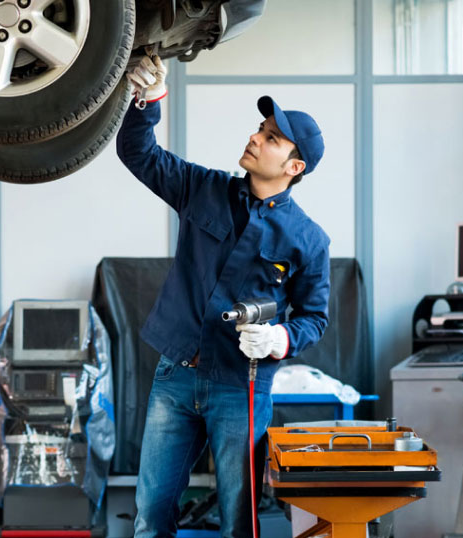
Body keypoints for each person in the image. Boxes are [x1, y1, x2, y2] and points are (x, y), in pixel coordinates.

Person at [117, 55, 331, 538]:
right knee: (151, 515)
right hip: (175, 377)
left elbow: (314, 318)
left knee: (239, 522)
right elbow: (139, 154)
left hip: (242, 387)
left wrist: (279, 337)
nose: (255, 137)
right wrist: (148, 103)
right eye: (260, 128)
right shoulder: (203, 189)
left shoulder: (309, 240)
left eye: (272, 137)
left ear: (294, 166)